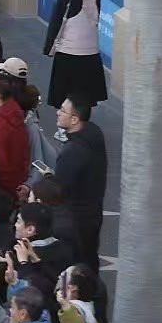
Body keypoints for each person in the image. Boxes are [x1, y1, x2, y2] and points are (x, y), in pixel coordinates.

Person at [42, 0, 107, 111]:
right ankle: (82, 120)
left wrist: (49, 47)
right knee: (85, 94)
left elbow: (58, 18)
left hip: (69, 50)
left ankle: (67, 123)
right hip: (90, 49)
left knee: (65, 94)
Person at [52, 97, 108, 264]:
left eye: (63, 110)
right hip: (92, 213)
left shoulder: (73, 151)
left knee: (77, 265)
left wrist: (48, 178)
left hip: (74, 218)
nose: (58, 113)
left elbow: (59, 188)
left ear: (74, 119)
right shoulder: (93, 135)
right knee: (89, 260)